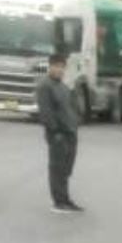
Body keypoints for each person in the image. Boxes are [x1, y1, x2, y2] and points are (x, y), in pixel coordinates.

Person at [35, 52, 82, 213]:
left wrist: (75, 124)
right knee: (57, 168)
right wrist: (55, 131)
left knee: (67, 168)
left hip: (70, 132)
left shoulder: (63, 86)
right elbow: (46, 112)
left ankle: (66, 198)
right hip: (58, 134)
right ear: (50, 66)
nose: (60, 70)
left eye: (62, 67)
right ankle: (58, 201)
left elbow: (71, 108)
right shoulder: (45, 86)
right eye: (57, 67)